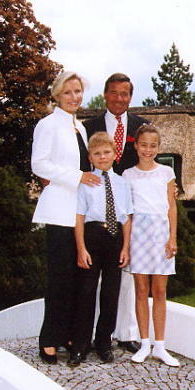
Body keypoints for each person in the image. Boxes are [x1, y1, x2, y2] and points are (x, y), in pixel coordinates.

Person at [31, 71, 99, 364]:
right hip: (59, 211)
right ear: (57, 95)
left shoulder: (80, 129)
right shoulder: (48, 125)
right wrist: (76, 176)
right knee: (59, 278)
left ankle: (70, 335)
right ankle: (49, 339)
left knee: (76, 279)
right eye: (69, 92)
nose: (75, 97)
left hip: (80, 213)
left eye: (78, 91)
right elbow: (39, 164)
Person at [83, 73, 150, 353]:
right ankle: (87, 337)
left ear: (130, 97)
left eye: (124, 94)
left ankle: (125, 333)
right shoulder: (88, 127)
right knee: (90, 281)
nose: (119, 98)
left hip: (129, 207)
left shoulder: (141, 126)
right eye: (114, 93)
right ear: (105, 94)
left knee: (125, 274)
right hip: (95, 208)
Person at [71, 131, 133, 367]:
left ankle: (104, 342)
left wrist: (125, 247)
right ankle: (80, 344)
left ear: (114, 154)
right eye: (97, 153)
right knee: (86, 292)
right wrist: (81, 248)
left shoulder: (122, 183)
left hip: (115, 238)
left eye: (106, 152)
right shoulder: (86, 182)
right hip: (92, 236)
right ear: (90, 157)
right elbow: (79, 217)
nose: (102, 156)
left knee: (110, 294)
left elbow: (126, 218)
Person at [123, 124, 180, 366]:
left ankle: (160, 346)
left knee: (159, 290)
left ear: (158, 147)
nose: (148, 150)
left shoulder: (166, 173)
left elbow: (171, 206)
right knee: (140, 289)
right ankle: (144, 343)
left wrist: (172, 237)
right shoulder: (128, 175)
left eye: (153, 146)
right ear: (136, 146)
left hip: (160, 233)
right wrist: (126, 245)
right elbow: (127, 213)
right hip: (138, 233)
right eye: (144, 145)